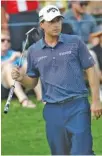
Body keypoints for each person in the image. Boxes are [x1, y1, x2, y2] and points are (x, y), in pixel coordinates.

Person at [11, 5, 102, 155]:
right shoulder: (34, 51)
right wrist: (21, 78)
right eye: (51, 21)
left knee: (82, 152)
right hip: (52, 109)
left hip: (78, 105)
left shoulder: (75, 42)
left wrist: (96, 100)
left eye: (58, 20)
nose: (56, 24)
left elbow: (91, 69)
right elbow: (32, 82)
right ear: (41, 24)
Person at [1, 30, 41, 108]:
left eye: (8, 40)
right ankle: (24, 100)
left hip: (19, 81)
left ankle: (41, 97)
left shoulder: (13, 53)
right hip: (3, 85)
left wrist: (22, 57)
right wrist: (12, 59)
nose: (6, 42)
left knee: (29, 65)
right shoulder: (13, 56)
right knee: (8, 67)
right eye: (2, 40)